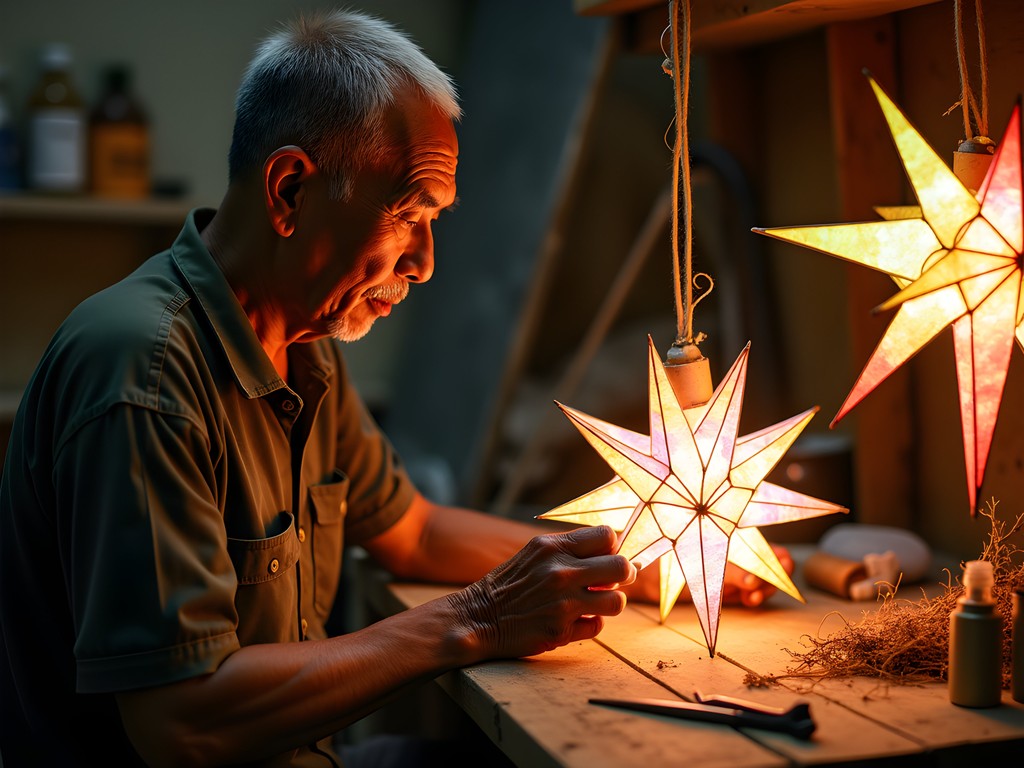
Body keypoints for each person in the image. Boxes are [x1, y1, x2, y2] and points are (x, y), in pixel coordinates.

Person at [0, 9, 788, 767]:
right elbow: (182, 725)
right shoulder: (146, 374)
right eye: (410, 214)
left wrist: (649, 561)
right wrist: (475, 619)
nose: (426, 263)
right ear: (288, 192)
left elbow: (412, 531)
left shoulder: (304, 346)